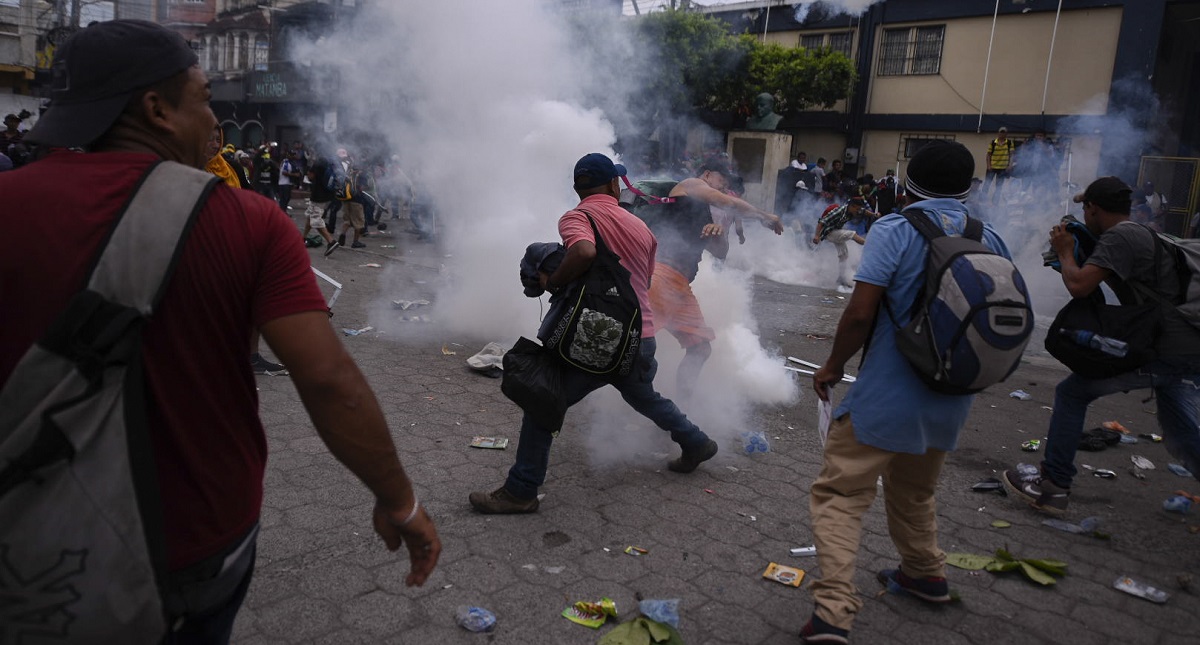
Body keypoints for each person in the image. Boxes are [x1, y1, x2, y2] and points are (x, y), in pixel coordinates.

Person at [0, 21, 439, 640]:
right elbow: (328, 379)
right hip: (194, 540)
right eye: (204, 99)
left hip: (28, 529)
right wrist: (399, 500)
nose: (214, 121)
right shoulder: (248, 222)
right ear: (157, 109)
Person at [804, 141, 1012, 643]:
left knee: (840, 493)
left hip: (888, 392)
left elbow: (860, 313)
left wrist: (832, 366)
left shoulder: (895, 228)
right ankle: (924, 573)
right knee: (915, 489)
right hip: (951, 393)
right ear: (966, 188)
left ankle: (833, 611)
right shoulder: (990, 237)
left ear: (908, 183)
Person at [468, 153, 719, 514]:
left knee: (543, 400)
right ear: (615, 185)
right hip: (641, 337)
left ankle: (521, 491)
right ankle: (696, 442)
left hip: (602, 337)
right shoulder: (641, 228)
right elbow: (645, 279)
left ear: (578, 188)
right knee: (644, 396)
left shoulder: (578, 217)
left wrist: (554, 281)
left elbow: (584, 250)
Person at [1003, 177, 1200, 515]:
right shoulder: (1137, 232)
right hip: (1186, 346)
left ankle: (1053, 486)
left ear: (1093, 209)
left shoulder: (1120, 237)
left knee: (1072, 393)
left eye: (1086, 209)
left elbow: (1080, 286)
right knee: (1181, 428)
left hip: (1165, 346)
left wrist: (1065, 251)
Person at [651, 159, 784, 398]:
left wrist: (718, 232)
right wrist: (764, 216)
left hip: (681, 286)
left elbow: (721, 252)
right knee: (636, 346)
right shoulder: (691, 184)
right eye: (722, 181)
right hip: (660, 275)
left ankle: (683, 407)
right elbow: (727, 202)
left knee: (700, 348)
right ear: (707, 174)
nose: (724, 188)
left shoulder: (704, 212)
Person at [812, 196, 876, 293]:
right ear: (852, 206)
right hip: (828, 233)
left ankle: (841, 279)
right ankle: (871, 244)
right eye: (857, 209)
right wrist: (816, 236)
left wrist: (874, 214)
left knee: (844, 255)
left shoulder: (852, 210)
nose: (858, 212)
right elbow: (821, 222)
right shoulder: (839, 211)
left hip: (836, 231)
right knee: (852, 234)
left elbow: (863, 212)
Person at [983, 126, 1014, 204]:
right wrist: (988, 165)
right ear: (998, 133)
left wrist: (1010, 165)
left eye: (1004, 133)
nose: (1002, 134)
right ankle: (982, 200)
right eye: (1001, 132)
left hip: (1002, 168)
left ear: (1006, 134)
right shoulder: (993, 142)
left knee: (999, 186)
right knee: (987, 184)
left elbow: (1012, 155)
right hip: (992, 167)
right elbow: (988, 155)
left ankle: (995, 202)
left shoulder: (1009, 143)